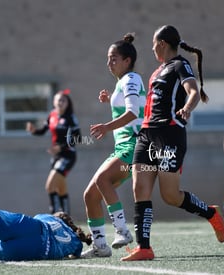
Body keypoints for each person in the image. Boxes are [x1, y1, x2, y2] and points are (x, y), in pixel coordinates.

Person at [121, 25, 224, 261]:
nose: (151, 48)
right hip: (147, 135)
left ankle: (210, 213)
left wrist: (187, 108)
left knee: (170, 196)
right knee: (140, 188)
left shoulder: (180, 65)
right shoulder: (157, 71)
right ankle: (144, 247)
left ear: (161, 43)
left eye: (152, 43)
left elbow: (193, 92)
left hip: (169, 135)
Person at [81, 33, 146, 258]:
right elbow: (133, 105)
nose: (109, 62)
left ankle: (123, 231)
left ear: (127, 60)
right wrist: (111, 99)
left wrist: (107, 127)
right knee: (90, 195)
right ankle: (100, 246)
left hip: (134, 146)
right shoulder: (123, 83)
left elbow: (133, 112)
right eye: (108, 58)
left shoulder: (130, 80)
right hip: (123, 147)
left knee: (102, 179)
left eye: (114, 58)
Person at [26, 90, 81, 214]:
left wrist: (61, 147)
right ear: (54, 102)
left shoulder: (71, 118)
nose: (60, 102)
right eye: (58, 100)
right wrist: (33, 130)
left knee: (49, 186)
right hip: (56, 156)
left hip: (68, 156)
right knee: (61, 189)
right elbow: (43, 130)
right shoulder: (52, 115)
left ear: (68, 103)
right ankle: (67, 217)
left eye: (63, 100)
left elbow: (78, 138)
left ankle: (54, 215)